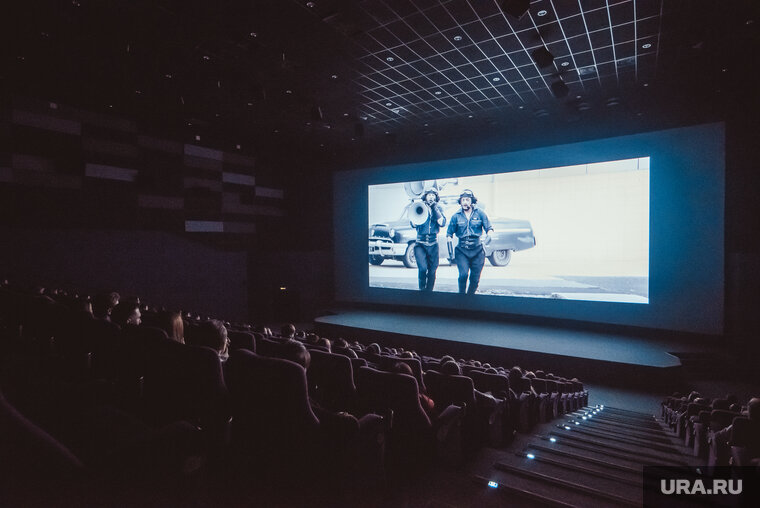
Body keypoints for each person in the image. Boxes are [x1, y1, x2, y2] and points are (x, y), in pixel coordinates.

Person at [446, 189, 493, 294]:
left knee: (475, 279)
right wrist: (450, 253)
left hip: (477, 251)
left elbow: (489, 229)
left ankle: (470, 297)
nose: (465, 202)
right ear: (460, 201)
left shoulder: (480, 214)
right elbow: (449, 234)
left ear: (472, 201)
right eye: (463, 200)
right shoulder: (456, 216)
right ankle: (461, 296)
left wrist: (487, 240)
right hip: (462, 251)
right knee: (463, 275)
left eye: (467, 200)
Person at [410, 189, 446, 291]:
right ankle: (422, 289)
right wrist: (415, 210)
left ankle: (429, 291)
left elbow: (442, 223)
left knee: (432, 270)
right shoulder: (420, 206)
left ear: (436, 197)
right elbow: (413, 224)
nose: (431, 197)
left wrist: (435, 208)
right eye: (429, 195)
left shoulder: (439, 208)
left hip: (433, 244)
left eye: (433, 195)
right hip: (420, 244)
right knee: (422, 268)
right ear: (425, 197)